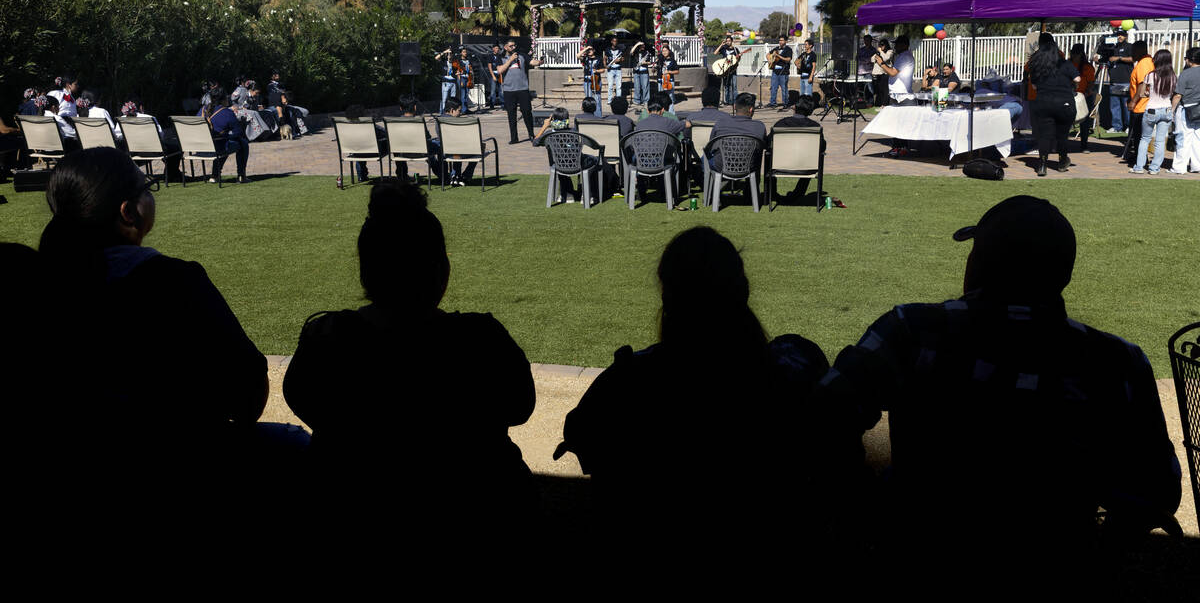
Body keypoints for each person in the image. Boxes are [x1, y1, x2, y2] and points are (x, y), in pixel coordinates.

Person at [814, 196, 1181, 585]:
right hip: (1059, 568)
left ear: (981, 264)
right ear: (1063, 274)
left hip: (918, 561)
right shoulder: (1118, 362)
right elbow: (1158, 492)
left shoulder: (913, 331)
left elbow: (821, 419)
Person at [283, 180, 536, 525]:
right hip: (479, 507)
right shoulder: (481, 339)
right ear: (441, 271)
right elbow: (520, 408)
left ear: (366, 272)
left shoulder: (326, 337)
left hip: (348, 505)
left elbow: (301, 400)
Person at [555, 227, 826, 541]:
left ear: (666, 297)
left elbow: (582, 437)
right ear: (744, 290)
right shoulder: (797, 365)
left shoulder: (624, 383)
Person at [38, 148, 274, 506]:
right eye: (147, 187)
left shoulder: (35, 282)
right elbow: (248, 390)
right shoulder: (174, 283)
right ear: (128, 211)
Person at [1027, 32, 1079, 176]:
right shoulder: (1065, 63)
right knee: (1062, 135)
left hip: (1043, 103)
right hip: (1064, 103)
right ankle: (1062, 161)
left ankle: (1042, 165)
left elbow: (1034, 86)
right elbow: (1078, 79)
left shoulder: (1036, 64)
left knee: (1045, 135)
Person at [534, 106, 597, 204]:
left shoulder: (549, 134)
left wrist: (544, 126)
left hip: (559, 165)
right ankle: (588, 194)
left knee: (560, 159)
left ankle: (568, 194)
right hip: (577, 164)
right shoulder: (574, 132)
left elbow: (535, 142)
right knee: (595, 160)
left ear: (552, 120)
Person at [1130, 48, 1176, 175]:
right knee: (1160, 141)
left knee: (1144, 138)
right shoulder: (1173, 75)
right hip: (1166, 109)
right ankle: (1155, 168)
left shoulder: (1151, 75)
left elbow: (1143, 93)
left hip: (1151, 109)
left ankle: (1139, 167)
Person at [497, 39, 542, 144]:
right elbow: (500, 70)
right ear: (505, 47)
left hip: (522, 89)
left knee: (527, 112)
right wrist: (510, 60)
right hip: (509, 90)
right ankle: (514, 138)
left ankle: (531, 134)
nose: (513, 48)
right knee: (511, 114)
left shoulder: (521, 55)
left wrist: (539, 62)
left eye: (514, 45)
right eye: (511, 46)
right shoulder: (501, 57)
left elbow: (531, 62)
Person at [206, 88, 250, 183]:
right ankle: (241, 176)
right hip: (217, 147)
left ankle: (214, 175)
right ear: (223, 99)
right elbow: (238, 133)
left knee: (222, 142)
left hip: (201, 148)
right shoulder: (227, 113)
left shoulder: (202, 110)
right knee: (242, 143)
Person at [1168, 46, 1200, 173]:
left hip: (1186, 109)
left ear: (1189, 60)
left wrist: (1171, 109)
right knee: (1198, 139)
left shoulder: (1186, 73)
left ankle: (1179, 167)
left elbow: (1177, 95)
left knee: (1182, 138)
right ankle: (1197, 165)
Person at [1125, 40, 1153, 165]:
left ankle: (1140, 159)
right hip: (1141, 104)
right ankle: (1137, 156)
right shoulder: (1145, 62)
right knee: (1138, 135)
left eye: (1133, 51)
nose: (1131, 54)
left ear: (1140, 50)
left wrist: (1133, 101)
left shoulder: (1144, 64)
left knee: (1139, 135)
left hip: (1141, 106)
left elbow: (1142, 84)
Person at [440, 97, 476, 186]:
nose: (461, 113)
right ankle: (466, 175)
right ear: (452, 110)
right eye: (459, 111)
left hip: (445, 152)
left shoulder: (438, 121)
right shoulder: (457, 122)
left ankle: (455, 175)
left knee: (457, 149)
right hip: (457, 151)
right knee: (479, 149)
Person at [1103, 28, 1133, 133]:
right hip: (1114, 81)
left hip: (1125, 81)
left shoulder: (1129, 46)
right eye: (1118, 35)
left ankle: (1128, 126)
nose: (1119, 37)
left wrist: (1119, 58)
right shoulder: (1112, 47)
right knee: (1115, 106)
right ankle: (1116, 127)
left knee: (1125, 105)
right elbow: (1106, 60)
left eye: (1122, 35)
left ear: (1126, 36)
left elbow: (1132, 59)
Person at [1069, 43, 1097, 152]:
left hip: (1084, 97)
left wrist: (1085, 93)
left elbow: (1091, 83)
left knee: (1084, 121)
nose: (1074, 56)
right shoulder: (1068, 64)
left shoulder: (1087, 67)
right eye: (1073, 54)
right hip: (1070, 96)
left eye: (1076, 54)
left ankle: (1084, 144)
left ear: (1081, 55)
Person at [767, 36, 793, 108]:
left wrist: (778, 56)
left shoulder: (788, 49)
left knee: (784, 88)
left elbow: (788, 59)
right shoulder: (776, 49)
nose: (780, 42)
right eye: (779, 40)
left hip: (784, 71)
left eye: (782, 40)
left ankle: (785, 103)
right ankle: (773, 103)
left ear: (785, 41)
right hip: (775, 71)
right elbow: (768, 54)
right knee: (773, 87)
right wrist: (770, 60)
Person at [870, 37, 894, 107]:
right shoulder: (878, 52)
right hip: (878, 73)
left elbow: (886, 58)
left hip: (886, 72)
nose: (881, 47)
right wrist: (877, 55)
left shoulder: (890, 51)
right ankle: (879, 103)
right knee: (879, 89)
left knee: (885, 89)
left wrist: (881, 52)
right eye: (880, 45)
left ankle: (885, 103)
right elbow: (872, 59)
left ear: (886, 45)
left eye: (883, 45)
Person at [434, 48, 459, 115]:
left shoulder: (454, 63)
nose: (450, 56)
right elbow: (436, 58)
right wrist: (445, 51)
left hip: (453, 82)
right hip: (446, 82)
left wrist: (458, 74)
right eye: (448, 54)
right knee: (444, 98)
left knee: (453, 98)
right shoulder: (444, 62)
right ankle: (442, 112)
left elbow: (456, 72)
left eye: (451, 54)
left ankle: (452, 112)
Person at [630, 41, 654, 106]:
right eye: (641, 46)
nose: (643, 47)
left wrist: (644, 63)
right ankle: (637, 100)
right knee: (637, 86)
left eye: (643, 45)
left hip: (644, 70)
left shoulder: (647, 52)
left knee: (645, 86)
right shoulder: (635, 52)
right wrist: (637, 44)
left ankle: (646, 100)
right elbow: (631, 52)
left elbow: (650, 62)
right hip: (636, 70)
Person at [795, 38, 817, 105]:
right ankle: (802, 106)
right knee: (802, 93)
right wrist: (798, 65)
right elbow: (796, 61)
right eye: (805, 44)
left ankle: (809, 106)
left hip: (808, 76)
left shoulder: (813, 54)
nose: (805, 46)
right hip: (802, 76)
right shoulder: (803, 54)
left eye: (806, 44)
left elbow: (814, 66)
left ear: (810, 46)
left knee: (808, 93)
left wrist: (811, 76)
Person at [603, 35, 624, 105]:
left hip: (618, 69)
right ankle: (609, 100)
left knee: (619, 86)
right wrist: (605, 65)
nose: (615, 42)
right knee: (610, 86)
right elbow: (605, 58)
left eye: (616, 41)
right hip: (610, 70)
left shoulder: (620, 49)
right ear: (611, 42)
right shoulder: (607, 49)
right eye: (614, 41)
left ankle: (619, 100)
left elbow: (623, 58)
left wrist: (620, 60)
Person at [455, 47, 475, 113]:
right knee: (463, 95)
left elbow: (470, 69)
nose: (465, 53)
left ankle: (466, 109)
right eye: (463, 52)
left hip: (468, 78)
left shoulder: (468, 60)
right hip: (462, 78)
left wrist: (472, 77)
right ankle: (463, 109)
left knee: (466, 94)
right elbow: (458, 71)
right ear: (461, 53)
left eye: (465, 52)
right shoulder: (459, 61)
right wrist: (459, 80)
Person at [486, 43, 503, 109]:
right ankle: (492, 104)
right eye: (496, 48)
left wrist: (501, 76)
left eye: (498, 48)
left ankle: (502, 103)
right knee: (493, 90)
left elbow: (501, 66)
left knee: (501, 90)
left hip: (499, 73)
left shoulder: (499, 56)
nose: (497, 49)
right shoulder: (490, 56)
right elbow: (489, 67)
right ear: (493, 49)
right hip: (493, 74)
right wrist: (493, 76)